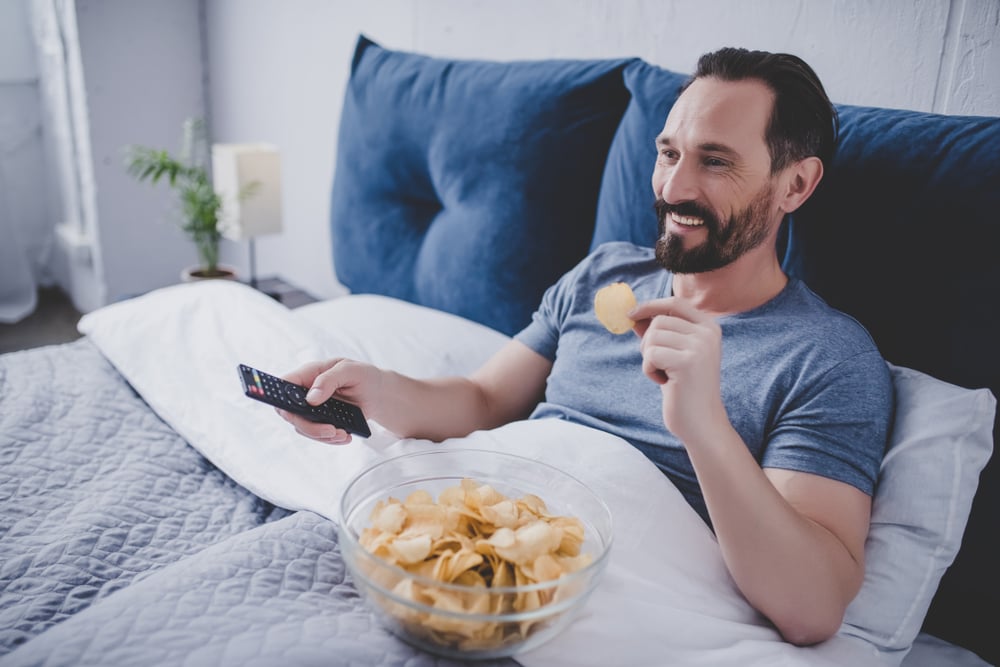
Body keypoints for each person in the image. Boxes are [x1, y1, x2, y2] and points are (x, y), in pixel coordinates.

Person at [278, 47, 893, 646]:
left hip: (602, 593)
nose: (673, 187)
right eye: (668, 152)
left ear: (796, 184)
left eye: (715, 161)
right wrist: (376, 388)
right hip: (476, 555)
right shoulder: (603, 276)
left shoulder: (827, 356)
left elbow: (813, 608)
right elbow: (484, 398)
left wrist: (704, 427)